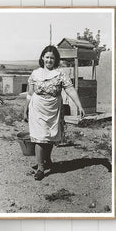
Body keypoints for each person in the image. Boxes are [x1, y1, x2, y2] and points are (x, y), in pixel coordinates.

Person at [24, 45, 86, 181]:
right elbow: (30, 93)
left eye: (52, 58)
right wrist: (25, 108)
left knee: (51, 135)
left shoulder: (61, 74)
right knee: (40, 138)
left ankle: (47, 159)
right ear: (42, 58)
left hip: (54, 109)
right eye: (47, 57)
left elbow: (70, 90)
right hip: (37, 108)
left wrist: (79, 105)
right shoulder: (35, 74)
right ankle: (41, 168)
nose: (49, 60)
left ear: (56, 60)